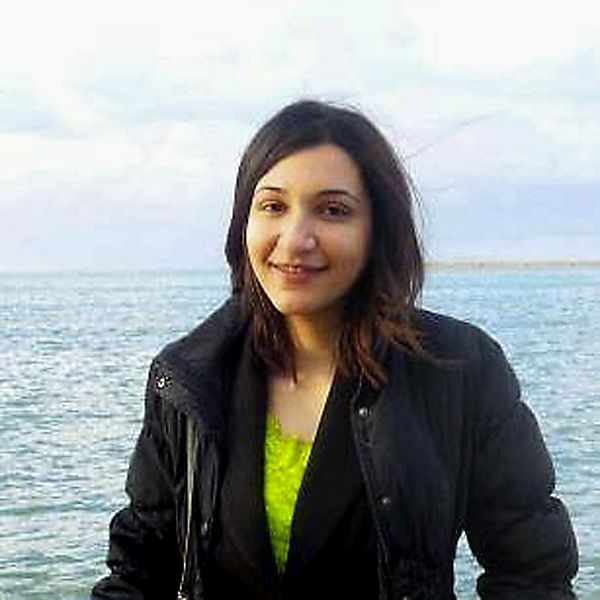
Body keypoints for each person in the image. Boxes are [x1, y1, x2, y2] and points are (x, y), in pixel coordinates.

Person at [91, 100, 578, 599]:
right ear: (243, 222)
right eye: (273, 206)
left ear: (377, 230)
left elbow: (532, 574)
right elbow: (138, 571)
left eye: (333, 210)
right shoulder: (188, 379)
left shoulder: (461, 370)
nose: (294, 240)